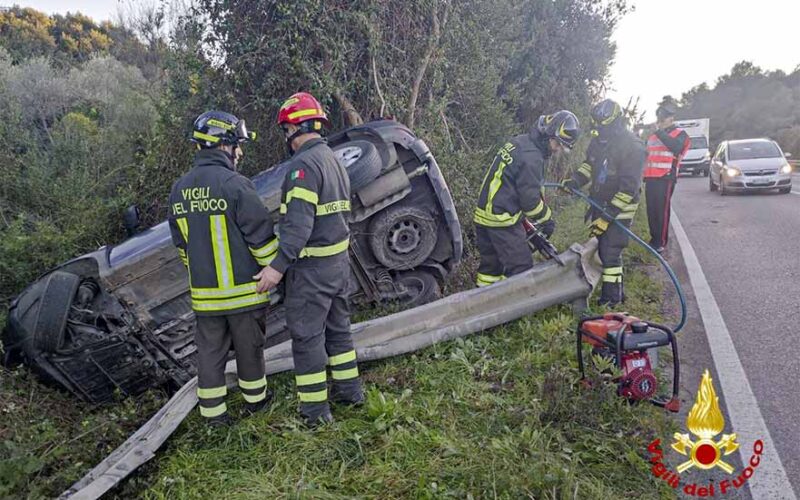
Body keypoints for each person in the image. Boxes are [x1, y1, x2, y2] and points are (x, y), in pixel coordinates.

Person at [254, 92, 363, 426]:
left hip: (312, 269)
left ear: (292, 129)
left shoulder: (302, 167)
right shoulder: (333, 160)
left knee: (307, 339)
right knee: (339, 331)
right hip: (337, 266)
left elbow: (298, 227)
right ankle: (350, 393)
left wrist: (276, 269)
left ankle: (316, 414)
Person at [168, 111, 276, 426]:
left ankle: (214, 417)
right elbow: (262, 237)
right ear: (223, 144)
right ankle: (257, 404)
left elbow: (182, 247)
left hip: (205, 298)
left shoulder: (179, 190)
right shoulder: (235, 184)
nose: (239, 152)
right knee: (249, 351)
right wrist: (277, 269)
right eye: (237, 145)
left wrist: (203, 275)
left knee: (210, 357)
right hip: (245, 293)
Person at [473, 110, 580, 287]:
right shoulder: (533, 158)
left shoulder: (521, 142)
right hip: (502, 219)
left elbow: (518, 185)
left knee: (490, 269)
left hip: (484, 214)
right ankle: (516, 310)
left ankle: (481, 304)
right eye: (558, 144)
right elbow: (529, 202)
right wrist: (547, 218)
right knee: (521, 268)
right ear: (549, 135)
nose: (558, 149)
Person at [562, 99, 646, 306]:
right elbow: (588, 166)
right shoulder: (599, 141)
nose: (600, 130)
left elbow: (629, 189)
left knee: (611, 251)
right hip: (600, 202)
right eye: (597, 126)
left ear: (616, 122)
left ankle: (612, 299)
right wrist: (576, 181)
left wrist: (608, 217)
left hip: (621, 208)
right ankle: (617, 290)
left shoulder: (633, 147)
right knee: (603, 248)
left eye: (604, 126)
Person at [643, 101, 690, 253]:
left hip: (665, 177)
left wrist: (659, 132)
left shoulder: (680, 134)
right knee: (651, 210)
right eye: (659, 118)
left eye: (663, 118)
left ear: (671, 118)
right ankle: (653, 239)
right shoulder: (653, 136)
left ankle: (661, 242)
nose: (660, 121)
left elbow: (676, 147)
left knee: (661, 211)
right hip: (650, 177)